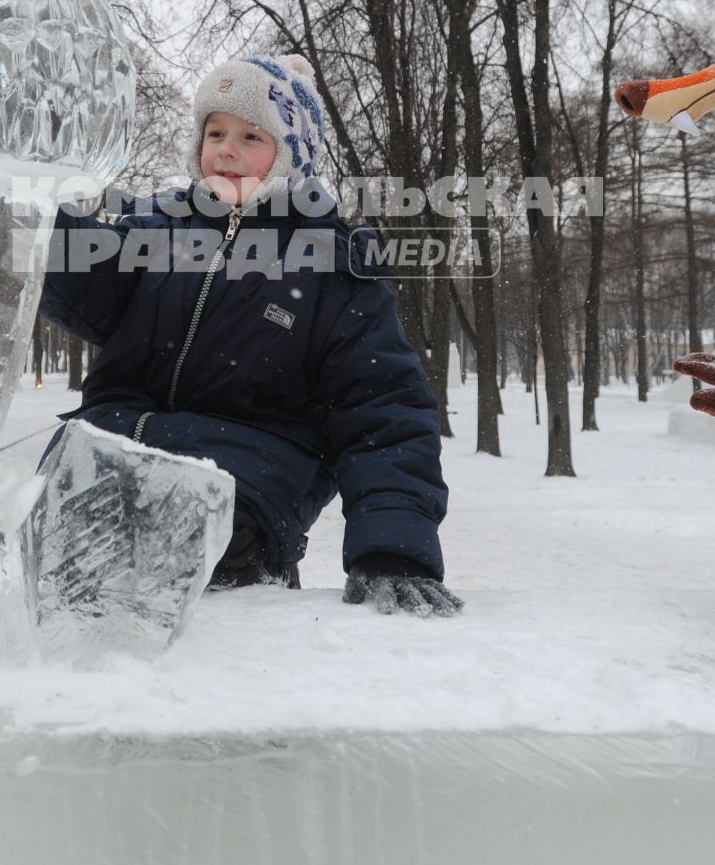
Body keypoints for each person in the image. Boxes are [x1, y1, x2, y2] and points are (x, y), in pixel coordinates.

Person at [38, 53, 460, 617]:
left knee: (143, 579)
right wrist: (27, 211)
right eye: (215, 132)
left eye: (251, 136)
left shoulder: (331, 269)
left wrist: (394, 551)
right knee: (11, 533)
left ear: (290, 157)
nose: (226, 149)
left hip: (239, 495)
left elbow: (385, 411)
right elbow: (81, 274)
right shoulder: (156, 232)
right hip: (103, 461)